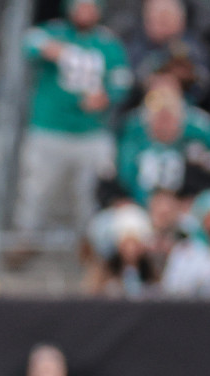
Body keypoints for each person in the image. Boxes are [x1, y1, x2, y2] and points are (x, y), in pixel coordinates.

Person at [15, 0, 133, 234]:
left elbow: (123, 80)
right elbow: (28, 42)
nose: (85, 11)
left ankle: (89, 243)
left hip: (91, 131)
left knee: (91, 194)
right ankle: (25, 238)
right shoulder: (53, 32)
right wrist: (50, 48)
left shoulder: (108, 43)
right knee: (36, 191)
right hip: (49, 128)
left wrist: (106, 96)